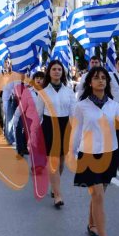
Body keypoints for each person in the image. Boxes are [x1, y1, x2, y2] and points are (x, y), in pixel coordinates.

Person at [71, 66, 119, 236]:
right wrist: (72, 153)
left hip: (110, 154)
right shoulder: (82, 106)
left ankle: (91, 223)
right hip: (89, 156)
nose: (100, 80)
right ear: (89, 82)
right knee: (98, 195)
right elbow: (76, 131)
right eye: (96, 77)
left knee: (98, 194)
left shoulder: (113, 105)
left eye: (103, 77)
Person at [36, 60, 76, 208]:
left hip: (65, 126)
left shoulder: (69, 91)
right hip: (49, 126)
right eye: (54, 69)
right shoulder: (43, 92)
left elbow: (74, 113)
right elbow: (38, 114)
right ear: (49, 72)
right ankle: (58, 195)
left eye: (59, 69)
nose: (57, 71)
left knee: (61, 161)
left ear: (62, 72)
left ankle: (54, 186)